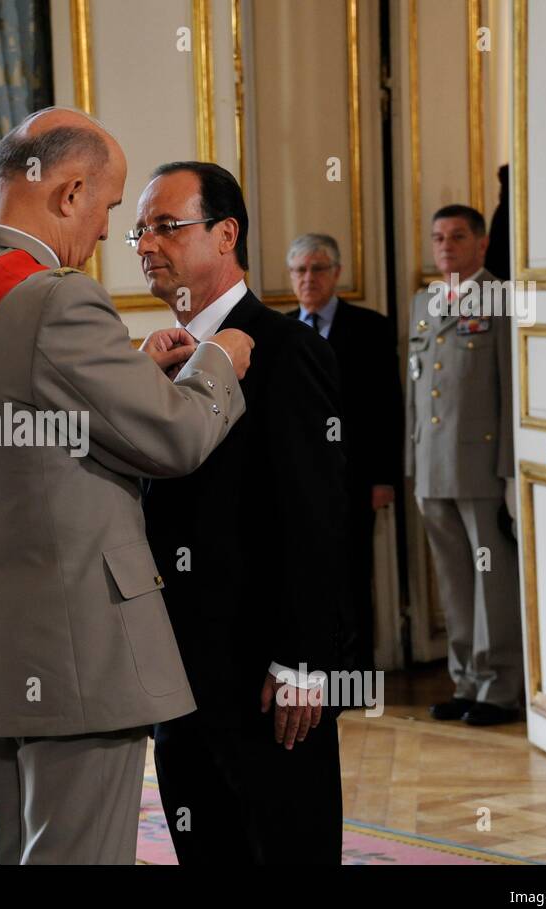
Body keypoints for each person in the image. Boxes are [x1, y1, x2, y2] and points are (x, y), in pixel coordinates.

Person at [0, 109, 253, 864]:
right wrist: (220, 356)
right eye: (109, 208)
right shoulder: (56, 298)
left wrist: (128, 372)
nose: (104, 233)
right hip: (77, 650)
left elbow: (19, 434)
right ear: (69, 193)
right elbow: (177, 438)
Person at [137, 162, 347, 863]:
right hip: (174, 674)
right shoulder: (151, 363)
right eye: (139, 229)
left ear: (226, 234)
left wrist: (304, 663)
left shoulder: (289, 351)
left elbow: (316, 518)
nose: (145, 243)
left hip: (265, 677)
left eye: (167, 225)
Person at [408, 204, 523, 726]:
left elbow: (508, 390)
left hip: (480, 465)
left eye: (457, 236)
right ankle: (465, 680)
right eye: (438, 237)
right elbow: (413, 389)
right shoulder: (424, 302)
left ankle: (499, 685)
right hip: (432, 465)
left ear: (480, 243)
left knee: (491, 580)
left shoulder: (500, 298)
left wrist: (508, 472)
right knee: (454, 581)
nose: (446, 246)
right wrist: (411, 460)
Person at [284, 232, 403, 675]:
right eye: (299, 271)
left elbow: (388, 409)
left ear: (336, 274)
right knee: (308, 577)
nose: (308, 279)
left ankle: (355, 673)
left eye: (317, 269)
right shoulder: (284, 331)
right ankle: (320, 666)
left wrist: (384, 477)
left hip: (355, 479)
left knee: (353, 576)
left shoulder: (371, 327)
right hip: (300, 481)